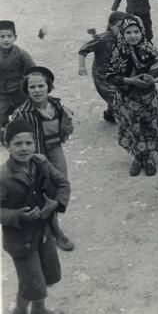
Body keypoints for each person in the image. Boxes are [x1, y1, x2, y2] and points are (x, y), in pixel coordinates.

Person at [0, 119, 70, 314]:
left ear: (35, 144)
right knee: (32, 284)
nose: (24, 148)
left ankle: (39, 310)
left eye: (28, 143)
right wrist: (17, 215)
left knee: (48, 276)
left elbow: (63, 184)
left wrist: (55, 203)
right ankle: (19, 312)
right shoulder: (3, 177)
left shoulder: (41, 163)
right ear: (8, 146)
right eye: (17, 143)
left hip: (44, 232)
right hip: (21, 240)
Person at [10, 66, 75, 252]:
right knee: (43, 192)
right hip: (37, 157)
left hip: (56, 151)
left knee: (61, 185)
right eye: (32, 87)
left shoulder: (56, 105)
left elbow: (66, 125)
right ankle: (55, 232)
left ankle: (51, 225)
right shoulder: (23, 113)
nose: (37, 90)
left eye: (41, 86)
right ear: (26, 90)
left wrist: (66, 128)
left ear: (49, 87)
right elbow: (16, 139)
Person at [106, 16, 158, 176]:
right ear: (122, 34)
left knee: (150, 126)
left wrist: (154, 79)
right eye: (128, 32)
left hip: (148, 97)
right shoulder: (118, 52)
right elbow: (111, 76)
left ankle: (149, 159)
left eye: (136, 31)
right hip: (127, 99)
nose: (133, 36)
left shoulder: (149, 48)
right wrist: (130, 80)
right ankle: (138, 158)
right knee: (133, 128)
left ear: (142, 32)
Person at [78, 11, 128, 123]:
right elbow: (83, 50)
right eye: (119, 27)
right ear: (111, 26)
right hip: (102, 76)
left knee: (118, 94)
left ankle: (110, 114)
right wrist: (82, 67)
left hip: (116, 74)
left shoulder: (125, 38)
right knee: (116, 96)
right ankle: (125, 122)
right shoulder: (102, 39)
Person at [0, 20, 35, 129]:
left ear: (15, 37)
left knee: (26, 113)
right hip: (1, 92)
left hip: (19, 91)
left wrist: (27, 85)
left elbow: (33, 70)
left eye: (9, 36)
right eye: (2, 36)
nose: (6, 40)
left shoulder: (21, 54)